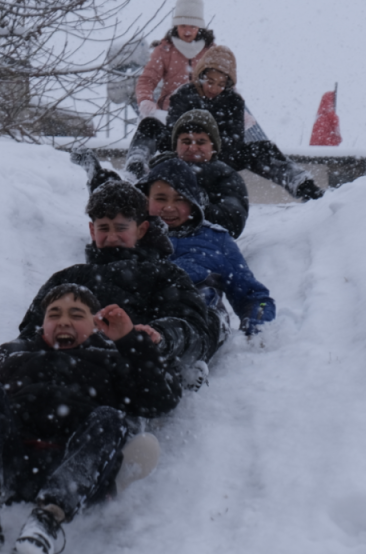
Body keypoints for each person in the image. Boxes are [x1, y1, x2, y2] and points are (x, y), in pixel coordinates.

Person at [0, 283, 175, 554]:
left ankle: (48, 519)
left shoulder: (111, 359)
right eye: (54, 314)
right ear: (42, 323)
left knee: (111, 418)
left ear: (96, 325)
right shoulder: (13, 357)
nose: (64, 320)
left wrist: (130, 342)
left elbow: (158, 401)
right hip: (13, 461)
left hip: (74, 465)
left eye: (77, 314)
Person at [17, 180, 216, 391]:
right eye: (104, 228)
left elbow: (193, 329)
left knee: (210, 318)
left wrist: (160, 335)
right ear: (92, 230)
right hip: (72, 370)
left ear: (141, 230)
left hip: (137, 375)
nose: (111, 237)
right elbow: (31, 331)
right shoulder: (69, 277)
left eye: (121, 228)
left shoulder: (164, 275)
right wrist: (2, 358)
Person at [162, 46, 325, 201]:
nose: (214, 88)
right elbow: (173, 130)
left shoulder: (233, 101)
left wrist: (211, 150)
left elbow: (234, 140)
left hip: (220, 156)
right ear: (201, 76)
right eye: (210, 82)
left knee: (264, 149)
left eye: (221, 84)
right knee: (151, 126)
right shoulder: (184, 94)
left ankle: (303, 185)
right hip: (184, 154)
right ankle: (137, 167)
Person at [136, 157, 276, 337]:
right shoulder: (132, 236)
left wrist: (258, 323)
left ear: (193, 203)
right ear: (146, 199)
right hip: (142, 325)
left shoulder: (216, 240)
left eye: (180, 199)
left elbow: (253, 296)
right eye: (160, 198)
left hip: (201, 325)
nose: (169, 207)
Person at [74, 108, 249, 238]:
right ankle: (116, 172)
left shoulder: (225, 176)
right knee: (115, 192)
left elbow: (233, 223)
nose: (192, 147)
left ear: (213, 146)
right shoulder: (163, 168)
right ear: (176, 145)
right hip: (151, 238)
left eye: (201, 142)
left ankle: (128, 172)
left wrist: (196, 203)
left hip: (197, 243)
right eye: (186, 141)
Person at [125, 0, 215, 175]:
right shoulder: (165, 50)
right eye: (182, 26)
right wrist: (145, 100)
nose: (187, 31)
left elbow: (224, 85)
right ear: (176, 26)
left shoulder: (211, 52)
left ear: (200, 27)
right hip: (169, 115)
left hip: (202, 116)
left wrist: (238, 110)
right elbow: (147, 79)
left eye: (192, 26)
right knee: (150, 126)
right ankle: (137, 159)